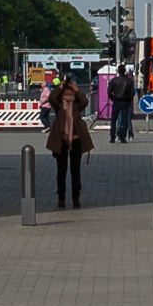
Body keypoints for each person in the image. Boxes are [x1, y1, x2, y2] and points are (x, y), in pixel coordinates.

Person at [44, 75, 92, 210]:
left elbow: (85, 101)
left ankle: (76, 198)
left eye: (70, 92)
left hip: (76, 140)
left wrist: (76, 89)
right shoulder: (58, 105)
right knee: (61, 171)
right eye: (67, 91)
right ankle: (61, 198)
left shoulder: (77, 105)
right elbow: (52, 98)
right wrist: (60, 87)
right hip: (61, 141)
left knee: (75, 171)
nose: (69, 94)